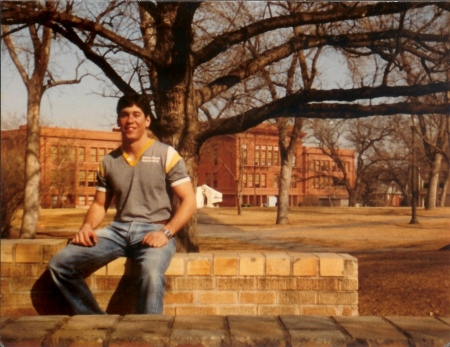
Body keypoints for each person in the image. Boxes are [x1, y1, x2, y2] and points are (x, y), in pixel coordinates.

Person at [48, 94, 196, 315]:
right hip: (117, 232)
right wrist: (86, 227)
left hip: (155, 229)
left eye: (137, 115)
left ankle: (147, 338)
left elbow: (189, 201)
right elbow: (99, 205)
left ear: (147, 120)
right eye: (124, 115)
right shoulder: (109, 162)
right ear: (118, 121)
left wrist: (166, 232)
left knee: (152, 275)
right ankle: (98, 323)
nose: (130, 120)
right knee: (60, 265)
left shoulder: (167, 154)